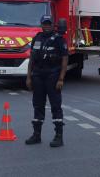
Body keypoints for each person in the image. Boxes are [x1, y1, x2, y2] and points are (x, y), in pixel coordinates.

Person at [25, 15, 68, 148]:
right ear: (41, 24)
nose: (47, 26)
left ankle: (59, 136)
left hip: (53, 76)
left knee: (55, 105)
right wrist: (28, 77)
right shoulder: (36, 38)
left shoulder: (59, 40)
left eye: (49, 23)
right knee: (38, 105)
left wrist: (61, 78)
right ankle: (36, 135)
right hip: (38, 75)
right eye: (45, 23)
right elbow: (31, 59)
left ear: (53, 24)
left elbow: (65, 59)